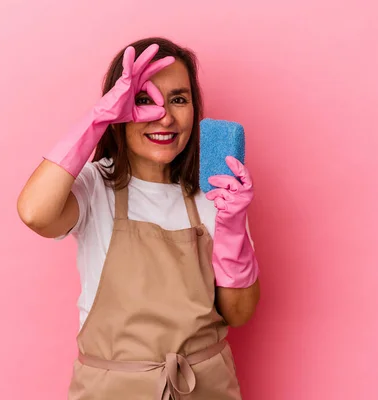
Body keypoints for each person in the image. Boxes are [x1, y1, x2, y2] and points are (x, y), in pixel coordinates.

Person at [17, 37, 261, 399]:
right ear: (120, 107)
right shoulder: (94, 186)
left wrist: (232, 229)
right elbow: (35, 213)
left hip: (208, 387)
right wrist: (97, 118)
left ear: (195, 109)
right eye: (144, 100)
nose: (164, 116)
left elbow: (239, 314)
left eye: (179, 99)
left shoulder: (217, 193)